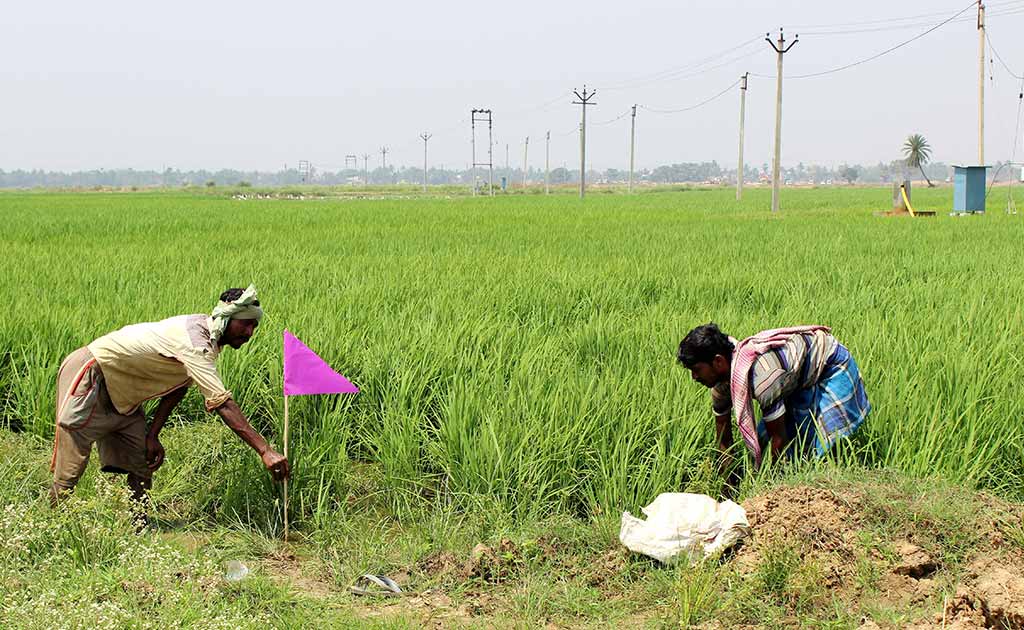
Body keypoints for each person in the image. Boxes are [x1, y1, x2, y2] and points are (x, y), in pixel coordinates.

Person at [49, 285, 290, 511]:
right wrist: (264, 450)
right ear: (227, 318)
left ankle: (138, 528)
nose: (249, 333)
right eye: (245, 324)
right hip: (94, 372)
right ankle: (54, 521)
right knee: (71, 463)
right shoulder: (197, 344)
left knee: (142, 460)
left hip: (124, 392)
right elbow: (221, 402)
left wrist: (153, 435)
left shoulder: (207, 337)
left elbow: (178, 386)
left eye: (254, 327)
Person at [676, 323, 870, 469]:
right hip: (794, 377)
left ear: (718, 362)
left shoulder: (763, 379)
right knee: (785, 440)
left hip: (829, 364)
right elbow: (723, 441)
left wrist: (772, 493)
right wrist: (728, 492)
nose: (694, 377)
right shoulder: (721, 385)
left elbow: (779, 438)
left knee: (824, 442)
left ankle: (833, 481)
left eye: (697, 369)